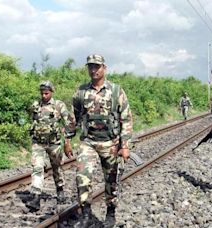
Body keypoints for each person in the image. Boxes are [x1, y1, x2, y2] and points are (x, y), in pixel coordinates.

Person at [72, 54, 133, 228]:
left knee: (111, 179)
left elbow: (126, 119)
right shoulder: (81, 92)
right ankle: (85, 214)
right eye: (90, 66)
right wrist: (68, 139)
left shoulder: (115, 90)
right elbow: (74, 118)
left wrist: (125, 145)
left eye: (97, 66)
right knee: (82, 177)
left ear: (104, 68)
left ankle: (111, 212)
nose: (93, 70)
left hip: (110, 143)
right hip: (88, 142)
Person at [26, 80, 75, 211]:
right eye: (42, 93)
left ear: (51, 92)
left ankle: (60, 189)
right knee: (37, 168)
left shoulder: (59, 105)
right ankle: (36, 196)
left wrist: (68, 142)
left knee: (57, 168)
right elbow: (32, 120)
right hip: (38, 143)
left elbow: (68, 123)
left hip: (55, 144)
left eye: (46, 93)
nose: (44, 96)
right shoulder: (35, 105)